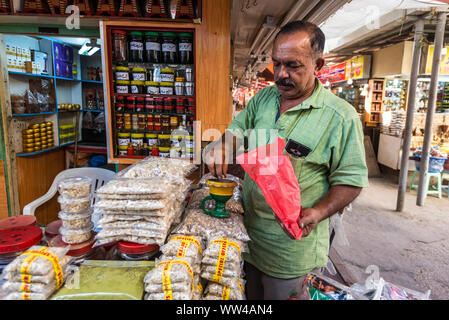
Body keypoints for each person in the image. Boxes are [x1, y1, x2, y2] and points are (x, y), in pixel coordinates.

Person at [204, 20, 369, 300]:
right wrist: (222, 143)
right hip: (247, 236)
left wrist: (318, 212)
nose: (281, 74)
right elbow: (237, 131)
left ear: (319, 64)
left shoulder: (340, 117)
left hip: (290, 250)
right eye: (276, 64)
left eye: (293, 65)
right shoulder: (264, 98)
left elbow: (351, 181)